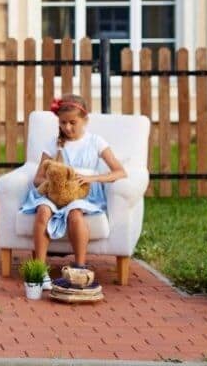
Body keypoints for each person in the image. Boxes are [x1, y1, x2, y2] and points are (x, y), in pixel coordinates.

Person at [19, 94, 127, 288]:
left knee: (75, 213)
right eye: (63, 123)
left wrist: (92, 178)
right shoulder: (53, 144)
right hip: (56, 193)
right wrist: (53, 187)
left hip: (84, 193)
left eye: (72, 122)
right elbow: (38, 178)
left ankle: (79, 268)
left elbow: (120, 172)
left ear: (84, 120)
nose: (67, 128)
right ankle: (40, 271)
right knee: (43, 211)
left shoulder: (95, 142)